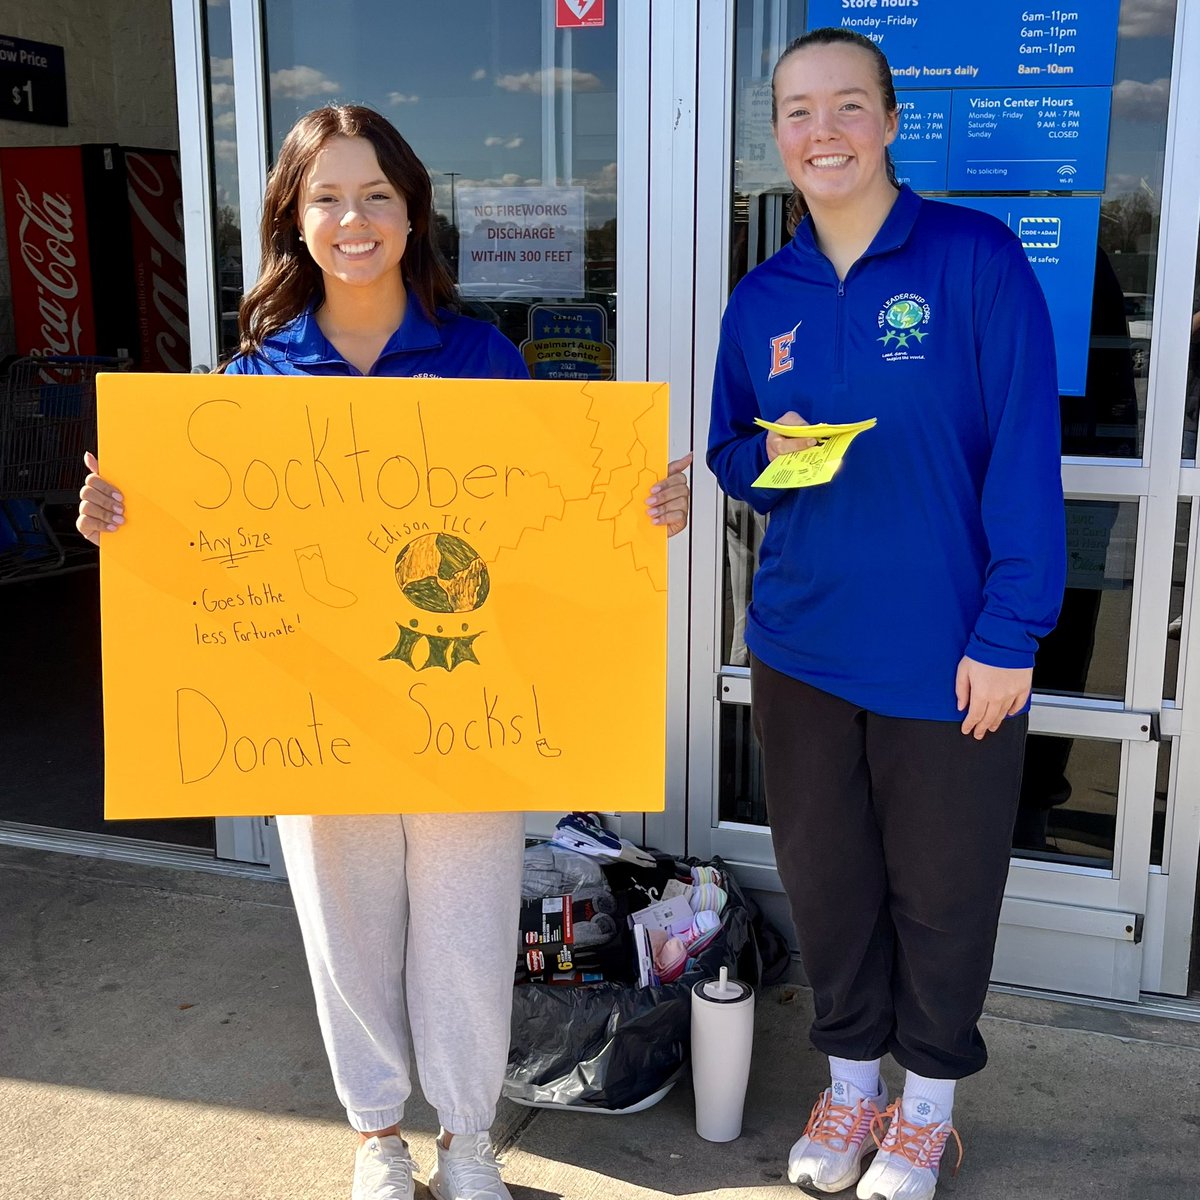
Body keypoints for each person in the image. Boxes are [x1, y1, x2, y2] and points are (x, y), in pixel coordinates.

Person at [77, 104, 692, 1200]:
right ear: (293, 218)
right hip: (314, 707)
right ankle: (376, 1137)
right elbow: (201, 546)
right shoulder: (251, 380)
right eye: (327, 197)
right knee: (345, 927)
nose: (352, 218)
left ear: (412, 215)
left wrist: (632, 509)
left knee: (461, 928)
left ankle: (464, 1139)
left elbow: (551, 524)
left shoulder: (481, 357)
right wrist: (122, 520)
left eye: (376, 196)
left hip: (463, 704)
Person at [707, 29, 1064, 1200]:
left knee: (945, 891)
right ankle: (852, 1085)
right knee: (829, 880)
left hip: (950, 652)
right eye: (800, 112)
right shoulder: (765, 296)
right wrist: (778, 456)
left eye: (848, 106)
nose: (825, 132)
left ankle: (927, 1110)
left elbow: (1023, 451)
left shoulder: (975, 258)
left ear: (893, 120)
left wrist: (1010, 631)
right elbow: (732, 454)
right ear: (778, 136)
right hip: (804, 644)